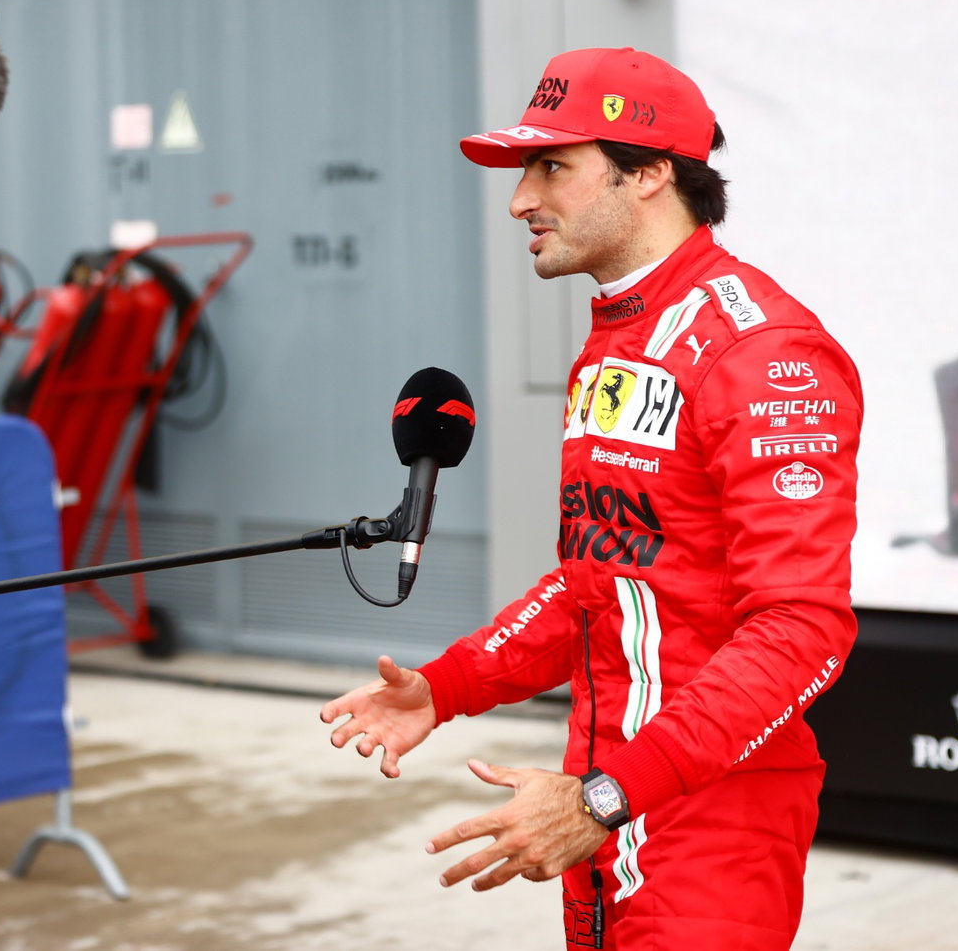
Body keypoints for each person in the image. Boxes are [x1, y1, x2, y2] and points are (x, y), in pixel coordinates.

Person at [320, 47, 861, 950]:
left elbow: (803, 629)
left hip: (706, 814)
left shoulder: (764, 353)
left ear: (649, 172)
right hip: (605, 804)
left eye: (551, 167)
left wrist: (607, 797)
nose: (521, 200)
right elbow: (597, 581)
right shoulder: (616, 342)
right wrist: (447, 686)